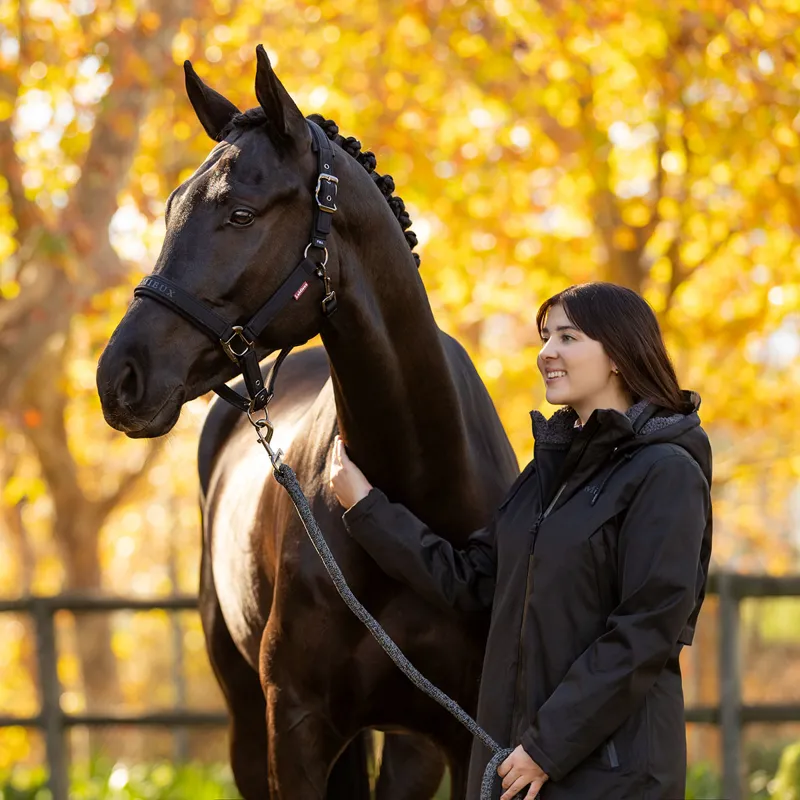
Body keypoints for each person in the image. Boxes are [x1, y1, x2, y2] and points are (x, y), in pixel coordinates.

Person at [329, 282, 713, 800]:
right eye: (545, 336)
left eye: (568, 337)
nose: (546, 353)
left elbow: (645, 632)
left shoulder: (666, 473)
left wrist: (546, 748)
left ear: (619, 355)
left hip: (611, 777)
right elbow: (471, 581)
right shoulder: (544, 475)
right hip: (516, 767)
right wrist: (367, 509)